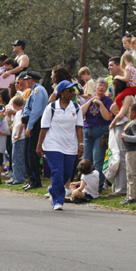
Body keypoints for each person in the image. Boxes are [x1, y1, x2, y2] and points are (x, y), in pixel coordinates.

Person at [37, 80, 84, 210]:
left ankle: (53, 189)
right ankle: (58, 200)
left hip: (70, 145)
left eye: (73, 90)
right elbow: (44, 128)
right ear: (62, 92)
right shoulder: (51, 107)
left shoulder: (76, 108)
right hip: (53, 144)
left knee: (67, 173)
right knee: (57, 171)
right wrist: (39, 145)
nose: (72, 93)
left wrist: (81, 144)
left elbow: (79, 128)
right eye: (69, 90)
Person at [80, 78, 113, 192]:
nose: (101, 87)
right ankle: (85, 186)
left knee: (97, 160)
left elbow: (107, 117)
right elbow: (81, 113)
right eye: (99, 85)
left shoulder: (108, 101)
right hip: (88, 131)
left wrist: (100, 104)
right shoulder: (89, 99)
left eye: (104, 86)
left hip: (100, 132)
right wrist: (90, 101)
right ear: (95, 87)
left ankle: (97, 187)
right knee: (86, 159)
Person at [21, 70, 48, 190]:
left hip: (35, 124)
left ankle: (35, 181)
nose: (25, 82)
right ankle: (32, 179)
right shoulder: (34, 90)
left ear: (31, 79)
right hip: (32, 122)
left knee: (30, 153)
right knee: (28, 153)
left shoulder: (38, 90)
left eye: (27, 79)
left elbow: (36, 110)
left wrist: (30, 126)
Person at [7, 95, 26, 186]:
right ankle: (16, 176)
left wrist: (17, 135)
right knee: (17, 158)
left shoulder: (19, 113)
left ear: (14, 105)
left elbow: (21, 124)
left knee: (17, 159)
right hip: (18, 138)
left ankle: (19, 178)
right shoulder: (20, 112)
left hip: (19, 139)